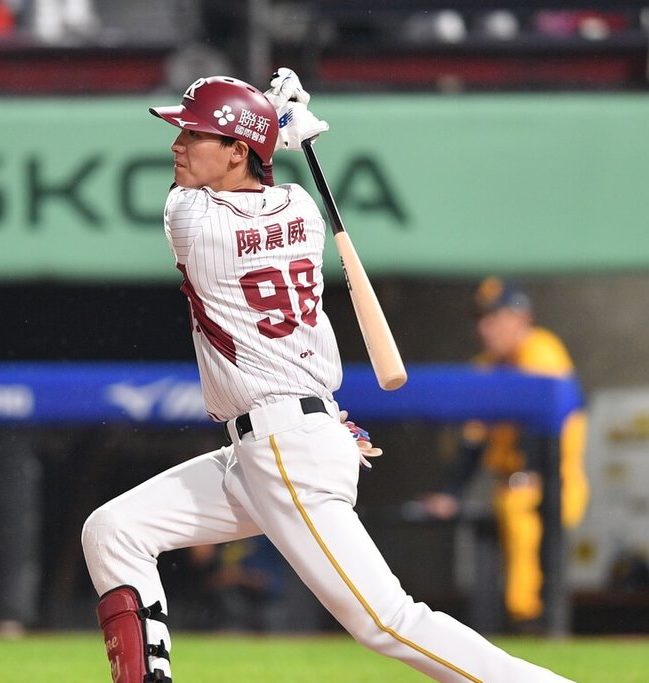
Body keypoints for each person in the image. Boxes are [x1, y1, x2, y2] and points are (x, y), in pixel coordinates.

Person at [81, 68, 575, 683]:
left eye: (195, 134)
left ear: (236, 151)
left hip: (286, 445)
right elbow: (262, 188)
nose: (178, 145)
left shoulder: (192, 220)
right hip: (278, 441)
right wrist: (276, 132)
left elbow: (216, 195)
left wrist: (272, 126)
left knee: (389, 621)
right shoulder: (303, 208)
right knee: (113, 530)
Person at [421, 278, 589, 631]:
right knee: (503, 548)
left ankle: (537, 626)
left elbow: (541, 426)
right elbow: (473, 439)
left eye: (494, 318)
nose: (485, 328)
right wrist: (451, 492)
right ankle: (522, 625)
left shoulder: (541, 351)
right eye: (480, 319)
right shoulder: (486, 366)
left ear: (522, 318)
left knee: (528, 562)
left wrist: (530, 472)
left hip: (552, 480)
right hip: (509, 485)